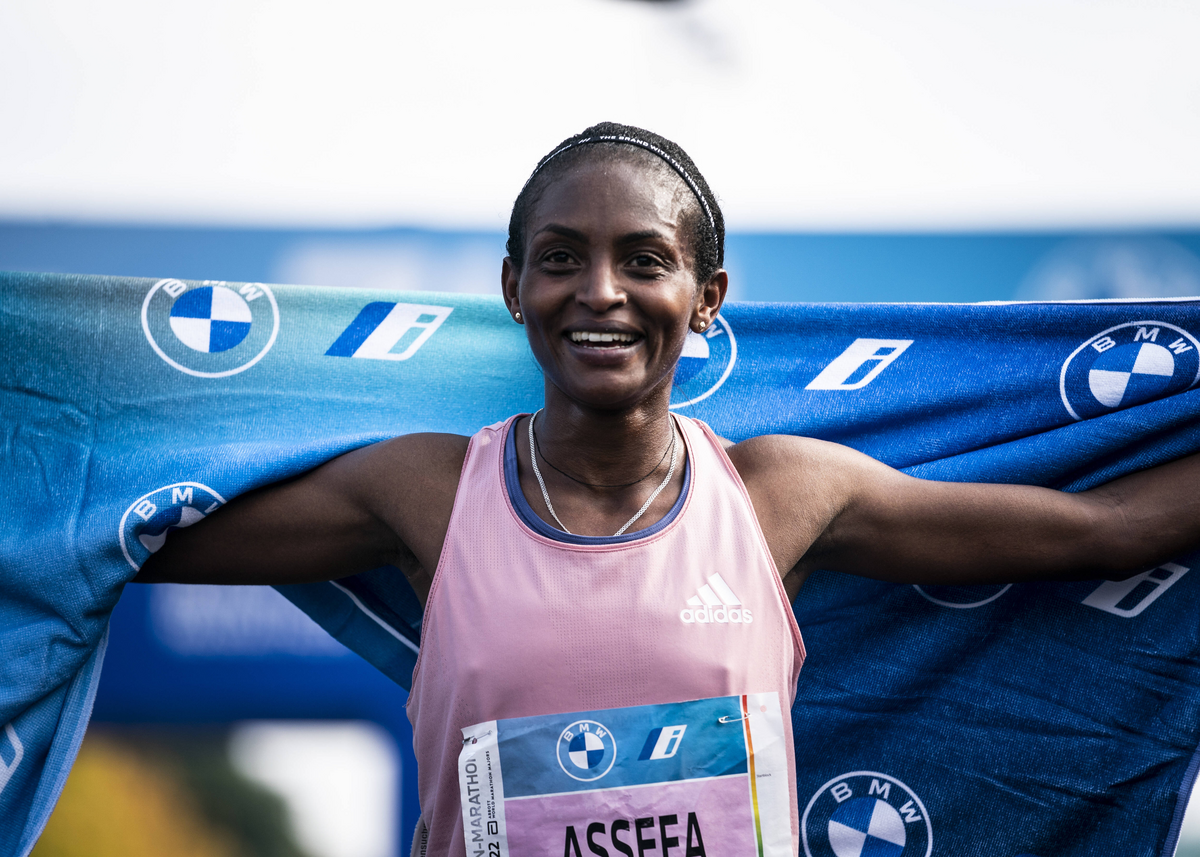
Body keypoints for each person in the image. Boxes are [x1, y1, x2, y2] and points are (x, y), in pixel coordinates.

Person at [137, 122, 1200, 856]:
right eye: (561, 257)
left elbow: (1103, 528)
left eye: (645, 260)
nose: (601, 291)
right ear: (515, 288)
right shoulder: (428, 491)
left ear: (705, 299)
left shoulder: (781, 493)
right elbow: (128, 533)